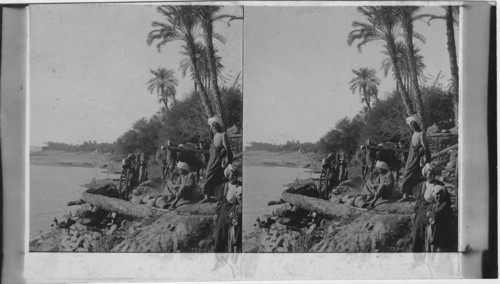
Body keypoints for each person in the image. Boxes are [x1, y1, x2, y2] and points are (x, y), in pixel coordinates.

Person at [199, 115, 233, 204]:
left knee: (217, 176)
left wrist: (224, 157)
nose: (214, 126)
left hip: (219, 159)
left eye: (216, 125)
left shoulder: (223, 134)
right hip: (213, 158)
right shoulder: (215, 135)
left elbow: (226, 148)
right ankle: (207, 195)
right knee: (208, 174)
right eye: (213, 125)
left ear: (219, 125)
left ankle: (220, 196)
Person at [411, 163, 445, 252]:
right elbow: (419, 199)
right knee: (418, 229)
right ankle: (416, 253)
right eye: (429, 174)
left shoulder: (439, 184)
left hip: (434, 208)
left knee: (433, 230)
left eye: (433, 174)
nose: (431, 176)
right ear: (425, 175)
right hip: (422, 208)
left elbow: (442, 199)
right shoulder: (421, 185)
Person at [398, 114, 430, 203]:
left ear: (417, 124)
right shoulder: (413, 134)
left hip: (417, 158)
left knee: (413, 176)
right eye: (411, 125)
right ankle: (405, 194)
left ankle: (412, 194)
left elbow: (425, 147)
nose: (412, 126)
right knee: (406, 174)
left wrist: (423, 156)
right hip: (411, 158)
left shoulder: (421, 133)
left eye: (414, 124)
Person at [214, 164, 242, 252]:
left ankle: (235, 250)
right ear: (228, 176)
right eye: (231, 175)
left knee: (237, 227)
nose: (233, 177)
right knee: (220, 228)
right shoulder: (223, 186)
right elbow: (220, 200)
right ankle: (220, 251)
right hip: (224, 209)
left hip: (236, 208)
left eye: (235, 175)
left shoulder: (240, 185)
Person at [425, 185, 455, 252]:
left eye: (440, 194)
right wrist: (430, 216)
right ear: (433, 195)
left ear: (443, 195)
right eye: (436, 194)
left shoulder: (445, 205)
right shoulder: (433, 205)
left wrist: (430, 215)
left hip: (439, 233)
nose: (438, 196)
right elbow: (425, 217)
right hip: (431, 231)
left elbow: (436, 215)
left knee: (439, 251)